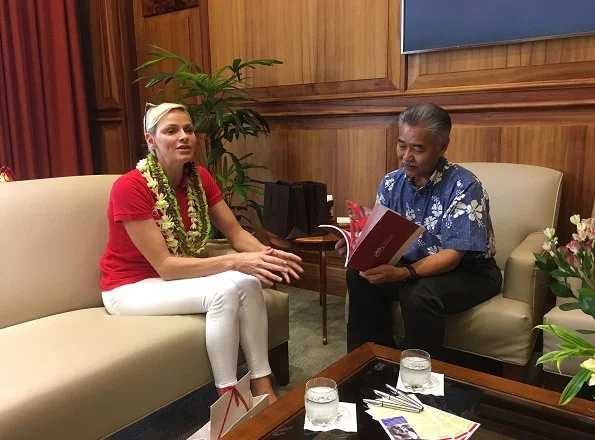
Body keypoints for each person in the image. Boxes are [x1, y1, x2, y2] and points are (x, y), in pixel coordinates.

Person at [100, 102, 303, 402]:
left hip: (171, 279)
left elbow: (235, 233)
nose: (184, 136)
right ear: (150, 141)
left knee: (247, 283)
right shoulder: (130, 187)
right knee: (223, 290)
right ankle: (229, 397)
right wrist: (237, 261)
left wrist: (266, 256)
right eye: (171, 130)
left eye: (188, 129)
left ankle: (262, 385)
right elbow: (166, 266)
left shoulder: (198, 178)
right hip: (128, 287)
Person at [336, 103, 502, 358]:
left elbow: (453, 255)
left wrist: (403, 273)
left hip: (469, 272)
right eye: (402, 145)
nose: (406, 156)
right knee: (359, 276)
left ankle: (415, 382)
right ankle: (372, 361)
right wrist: (355, 245)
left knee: (419, 294)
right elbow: (382, 235)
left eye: (418, 149)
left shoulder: (464, 186)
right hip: (411, 263)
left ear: (442, 146)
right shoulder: (392, 182)